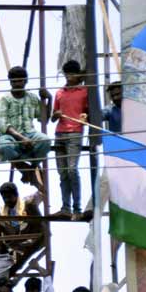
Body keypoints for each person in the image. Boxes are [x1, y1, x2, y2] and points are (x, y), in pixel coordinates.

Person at [0, 66, 52, 189]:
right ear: (10, 82)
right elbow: (2, 124)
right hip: (11, 136)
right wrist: (20, 138)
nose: (16, 84)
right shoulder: (5, 99)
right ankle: (26, 169)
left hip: (29, 134)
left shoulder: (32, 98)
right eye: (13, 81)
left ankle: (31, 169)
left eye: (19, 81)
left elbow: (44, 119)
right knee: (4, 146)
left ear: (25, 81)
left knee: (45, 141)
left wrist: (49, 99)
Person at [50, 60, 89, 218]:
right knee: (63, 173)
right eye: (67, 74)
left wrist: (86, 116)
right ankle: (66, 208)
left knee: (72, 170)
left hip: (75, 133)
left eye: (72, 73)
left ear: (78, 75)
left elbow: (89, 113)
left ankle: (77, 209)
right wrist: (56, 114)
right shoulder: (60, 93)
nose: (69, 77)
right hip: (60, 133)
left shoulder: (85, 91)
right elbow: (52, 118)